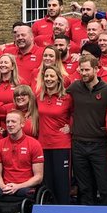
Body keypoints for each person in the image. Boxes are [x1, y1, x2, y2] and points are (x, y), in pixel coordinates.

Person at [66, 54, 107, 205]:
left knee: (104, 186)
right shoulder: (75, 87)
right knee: (84, 188)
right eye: (81, 70)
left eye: (87, 70)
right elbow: (61, 102)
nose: (84, 73)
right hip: (78, 143)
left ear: (96, 69)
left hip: (99, 144)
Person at [34, 65, 73, 204]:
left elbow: (76, 114)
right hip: (43, 145)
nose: (48, 79)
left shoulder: (67, 98)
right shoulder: (39, 97)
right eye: (46, 76)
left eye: (52, 76)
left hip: (61, 145)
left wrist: (71, 127)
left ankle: (64, 212)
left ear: (58, 79)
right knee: (47, 183)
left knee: (62, 183)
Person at [0, 110, 45, 199]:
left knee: (26, 193)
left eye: (13, 121)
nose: (9, 124)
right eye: (7, 122)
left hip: (25, 187)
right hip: (6, 187)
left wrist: (18, 186)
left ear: (22, 124)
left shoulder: (34, 144)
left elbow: (38, 177)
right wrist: (3, 187)